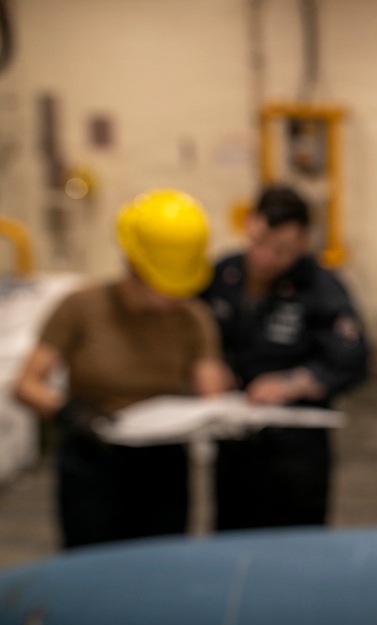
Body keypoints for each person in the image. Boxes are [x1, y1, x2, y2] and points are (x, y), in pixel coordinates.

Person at [14, 190, 231, 549]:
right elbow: (25, 385)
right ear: (134, 266)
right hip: (93, 457)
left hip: (162, 462)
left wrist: (223, 403)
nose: (175, 299)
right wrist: (66, 411)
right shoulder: (81, 308)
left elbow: (211, 390)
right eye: (165, 288)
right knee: (92, 567)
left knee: (159, 568)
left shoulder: (193, 318)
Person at [200, 185, 368, 530]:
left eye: (282, 250)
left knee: (295, 545)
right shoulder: (222, 275)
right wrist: (205, 365)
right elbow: (191, 332)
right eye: (260, 243)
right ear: (248, 225)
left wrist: (295, 382)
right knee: (231, 536)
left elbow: (353, 360)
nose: (266, 258)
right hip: (233, 440)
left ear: (303, 242)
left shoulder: (321, 288)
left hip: (294, 448)